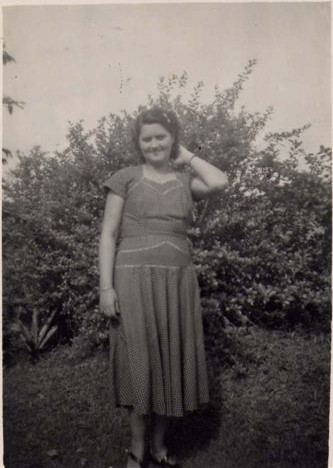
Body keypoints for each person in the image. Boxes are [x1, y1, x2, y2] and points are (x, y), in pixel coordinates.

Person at [99, 107, 228, 468]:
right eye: (147, 138)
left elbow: (219, 181)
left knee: (171, 359)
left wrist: (185, 155)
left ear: (172, 138)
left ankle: (159, 445)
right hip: (132, 279)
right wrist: (105, 288)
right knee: (139, 359)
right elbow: (108, 234)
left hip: (177, 280)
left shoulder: (187, 181)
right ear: (137, 143)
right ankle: (137, 449)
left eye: (161, 136)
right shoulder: (124, 178)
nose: (154, 144)